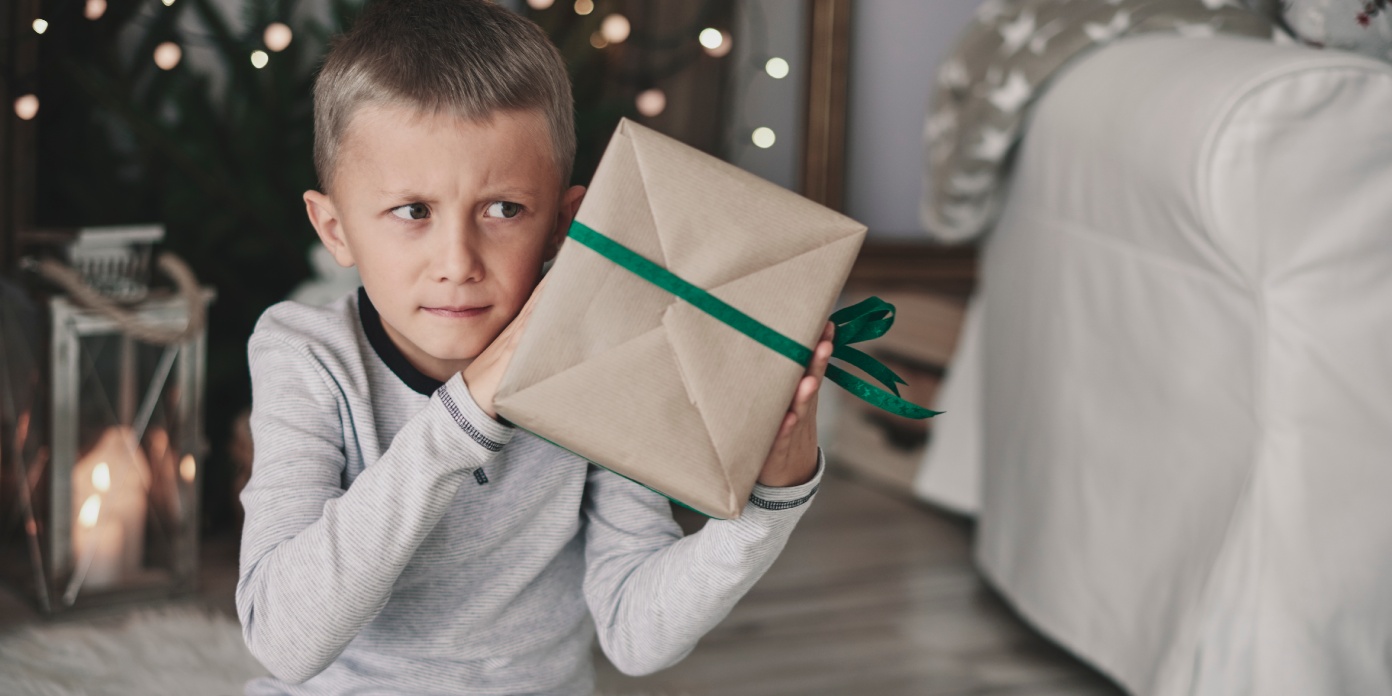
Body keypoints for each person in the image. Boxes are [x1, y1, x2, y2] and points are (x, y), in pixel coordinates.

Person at [235, 0, 835, 693]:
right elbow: (281, 639)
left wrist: (770, 505)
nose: (457, 260)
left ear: (564, 226)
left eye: (503, 209)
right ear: (334, 228)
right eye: (413, 211)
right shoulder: (304, 353)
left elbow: (636, 635)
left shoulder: (601, 358)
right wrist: (466, 415)